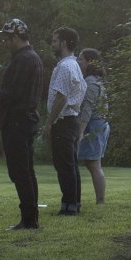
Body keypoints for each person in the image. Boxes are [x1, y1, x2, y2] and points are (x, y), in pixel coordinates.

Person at [0, 18, 44, 230]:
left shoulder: (23, 60)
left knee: (20, 171)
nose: (5, 43)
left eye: (6, 38)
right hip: (25, 120)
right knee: (26, 170)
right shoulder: (33, 58)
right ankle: (30, 216)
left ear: (16, 37)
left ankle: (29, 219)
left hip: (17, 121)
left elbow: (12, 92)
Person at [43, 26, 87, 215]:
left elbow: (61, 97)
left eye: (54, 41)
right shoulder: (74, 65)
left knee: (64, 164)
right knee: (70, 163)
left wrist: (49, 123)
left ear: (63, 43)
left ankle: (69, 205)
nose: (52, 44)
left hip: (64, 121)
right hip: (72, 120)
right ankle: (73, 203)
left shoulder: (65, 66)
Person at [75, 48, 109, 205]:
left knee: (94, 164)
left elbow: (87, 109)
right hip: (98, 124)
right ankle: (99, 200)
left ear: (89, 62)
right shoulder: (94, 80)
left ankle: (100, 201)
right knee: (92, 164)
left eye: (81, 59)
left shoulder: (91, 83)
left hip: (95, 125)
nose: (78, 61)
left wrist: (80, 132)